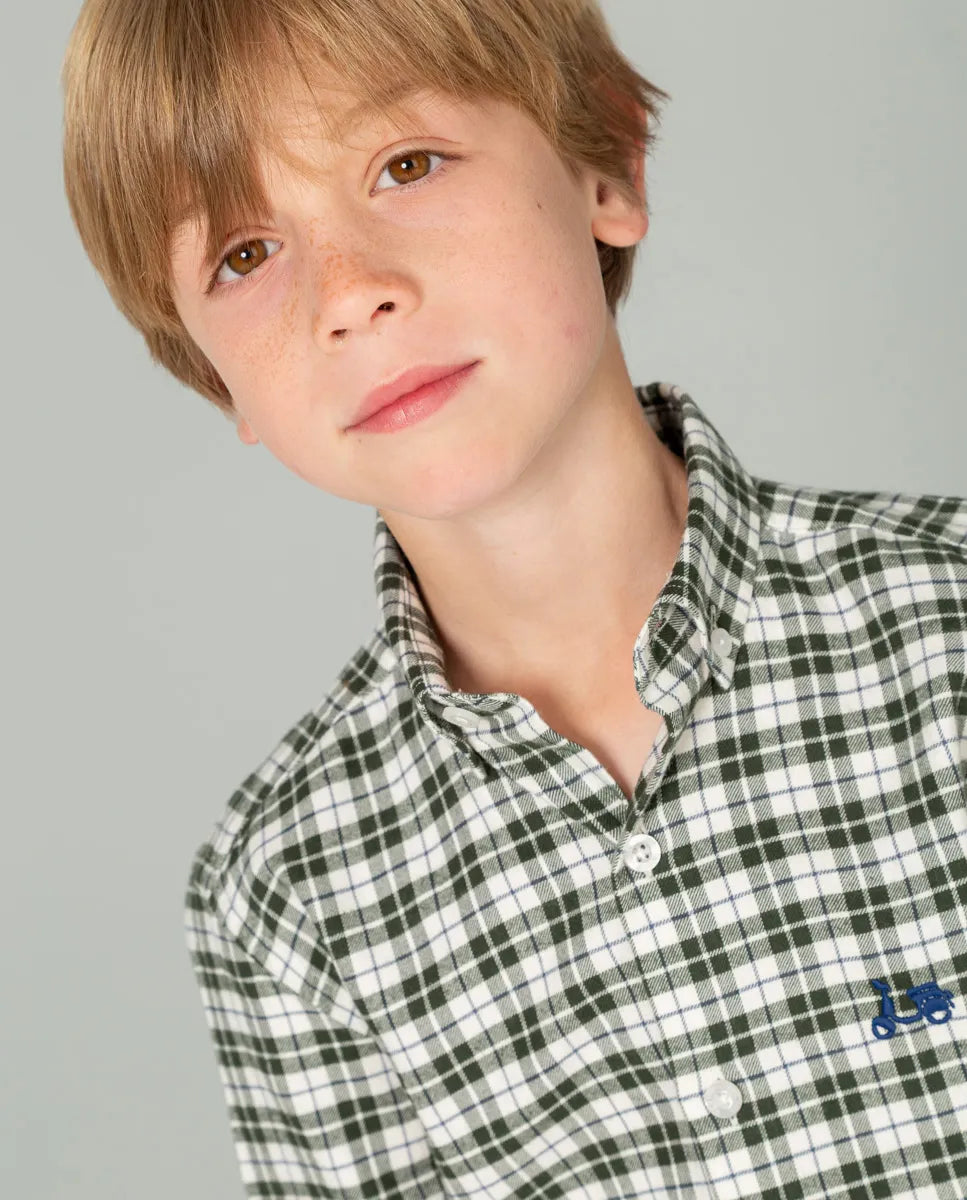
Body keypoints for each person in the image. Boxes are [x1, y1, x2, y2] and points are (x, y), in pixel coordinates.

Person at [60, 1, 967, 1196]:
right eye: (243, 254)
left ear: (606, 166)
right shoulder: (283, 896)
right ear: (208, 370)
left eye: (407, 164)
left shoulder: (942, 626)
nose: (349, 292)